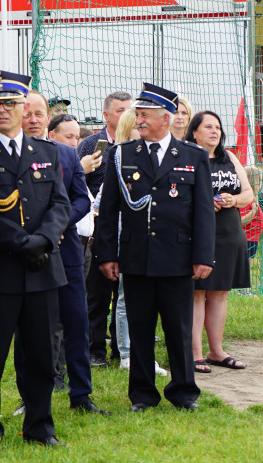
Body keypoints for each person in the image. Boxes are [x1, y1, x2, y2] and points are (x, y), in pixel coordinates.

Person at [95, 82, 215, 412]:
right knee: (140, 329)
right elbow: (109, 210)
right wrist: (106, 254)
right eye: (138, 115)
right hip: (136, 259)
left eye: (146, 115)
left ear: (166, 118)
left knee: (178, 329)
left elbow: (203, 211)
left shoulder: (193, 156)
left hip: (178, 258)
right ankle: (143, 395)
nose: (140, 121)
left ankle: (184, 392)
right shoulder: (121, 155)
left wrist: (203, 255)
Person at [0, 73, 70, 447]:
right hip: (2, 270)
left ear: (24, 107)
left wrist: (42, 240)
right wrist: (21, 242)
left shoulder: (47, 152)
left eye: (9, 103)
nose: (2, 110)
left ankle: (40, 427)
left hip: (43, 267)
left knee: (42, 356)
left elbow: (60, 203)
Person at [24, 92, 107, 415]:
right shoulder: (13, 156)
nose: (33, 119)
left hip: (67, 250)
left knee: (76, 321)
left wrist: (58, 226)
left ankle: (81, 394)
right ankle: (32, 394)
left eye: (38, 114)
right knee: (34, 327)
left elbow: (82, 199)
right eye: (27, 113)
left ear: (48, 118)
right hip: (30, 251)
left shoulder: (67, 155)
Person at [186, 110, 253, 373]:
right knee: (197, 293)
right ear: (195, 132)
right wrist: (202, 205)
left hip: (230, 234)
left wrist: (233, 200)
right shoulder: (188, 158)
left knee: (220, 293)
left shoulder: (230, 157)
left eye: (218, 127)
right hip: (201, 234)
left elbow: (248, 194)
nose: (215, 131)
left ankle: (216, 351)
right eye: (208, 127)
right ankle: (195, 354)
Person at [79, 90, 132, 367]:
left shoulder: (136, 147)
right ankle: (94, 349)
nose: (127, 115)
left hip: (129, 232)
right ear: (106, 115)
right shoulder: (90, 145)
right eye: (121, 109)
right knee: (97, 293)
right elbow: (79, 185)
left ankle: (121, 348)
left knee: (124, 294)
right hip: (99, 228)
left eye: (130, 109)